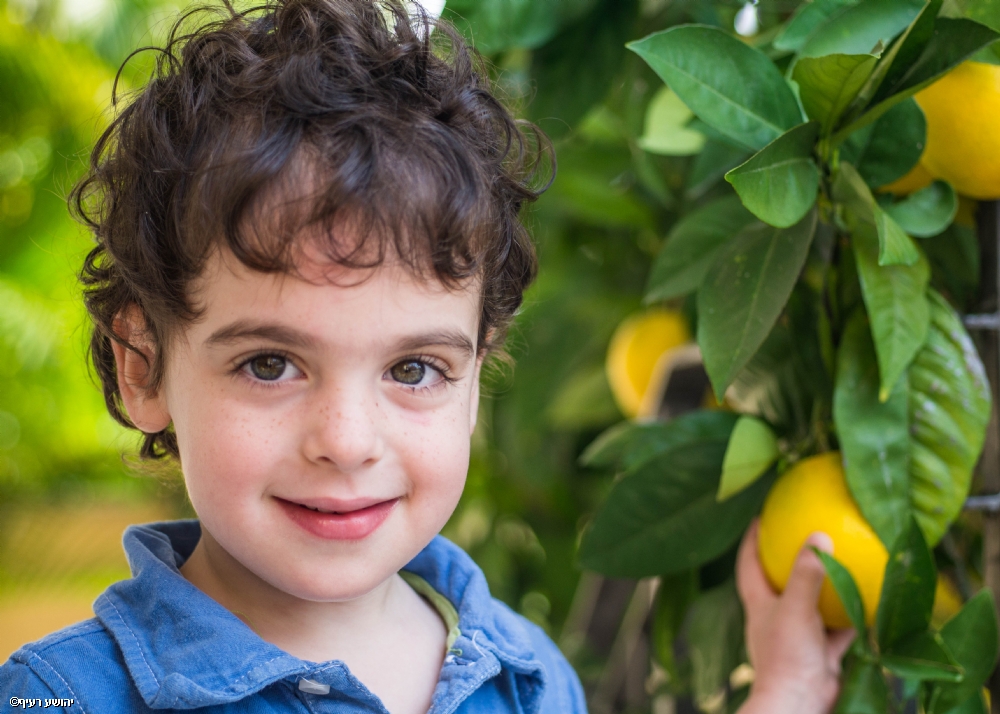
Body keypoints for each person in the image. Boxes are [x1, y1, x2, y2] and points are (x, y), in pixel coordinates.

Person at [0, 1, 855, 711]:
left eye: (413, 370)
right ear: (142, 367)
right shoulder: (61, 697)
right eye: (270, 364)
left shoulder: (522, 677)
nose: (346, 439)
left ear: (479, 373)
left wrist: (782, 690)